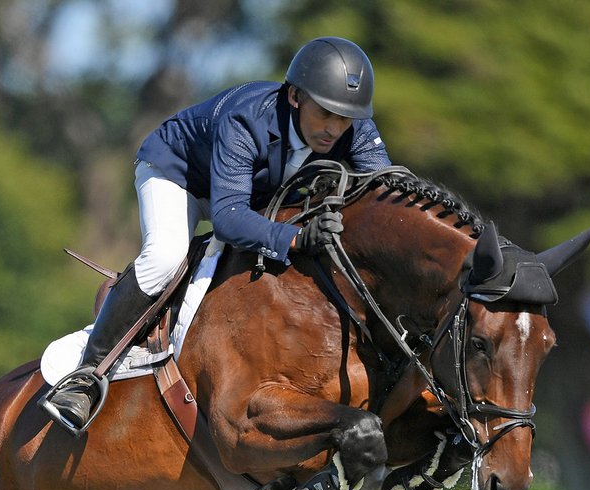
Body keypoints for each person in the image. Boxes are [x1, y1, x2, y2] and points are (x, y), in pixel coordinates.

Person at [42, 36, 392, 434]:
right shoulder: (248, 118)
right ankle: (87, 375)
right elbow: (227, 218)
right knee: (165, 256)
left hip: (253, 193)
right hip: (181, 177)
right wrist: (294, 239)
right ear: (295, 96)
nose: (333, 129)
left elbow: (386, 195)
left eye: (344, 119)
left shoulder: (354, 126)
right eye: (324, 114)